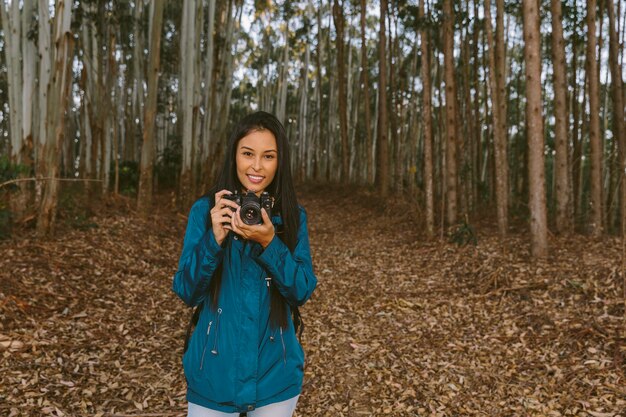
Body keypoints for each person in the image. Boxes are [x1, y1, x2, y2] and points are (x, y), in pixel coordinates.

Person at [172, 111, 317, 417]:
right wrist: (214, 238)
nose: (256, 166)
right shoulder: (206, 210)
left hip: (275, 376)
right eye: (248, 153)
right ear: (234, 155)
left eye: (268, 156)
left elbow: (302, 289)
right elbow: (186, 291)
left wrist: (269, 243)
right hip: (212, 375)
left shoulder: (292, 216)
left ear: (280, 163)